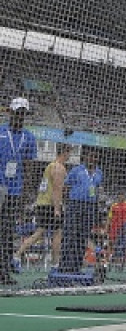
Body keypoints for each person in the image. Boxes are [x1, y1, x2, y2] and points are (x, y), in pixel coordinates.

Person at [13, 143, 71, 269]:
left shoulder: (50, 165)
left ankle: (17, 255)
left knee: (39, 233)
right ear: (64, 152)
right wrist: (57, 208)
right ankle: (56, 264)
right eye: (69, 152)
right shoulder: (59, 168)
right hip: (51, 204)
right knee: (57, 233)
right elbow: (57, 189)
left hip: (41, 203)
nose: (69, 155)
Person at [0, 97, 38, 285]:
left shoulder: (29, 137)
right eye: (18, 112)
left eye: (24, 113)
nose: (20, 116)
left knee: (7, 231)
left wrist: (25, 193)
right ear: (11, 112)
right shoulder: (0, 132)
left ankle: (4, 271)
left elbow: (29, 167)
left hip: (15, 191)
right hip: (0, 187)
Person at [59, 147, 103, 274]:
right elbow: (66, 186)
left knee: (82, 237)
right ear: (86, 157)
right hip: (75, 205)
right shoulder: (76, 170)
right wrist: (66, 203)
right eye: (91, 156)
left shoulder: (99, 173)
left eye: (95, 156)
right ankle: (64, 266)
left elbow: (97, 189)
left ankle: (76, 266)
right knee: (70, 234)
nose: (93, 159)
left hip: (90, 206)